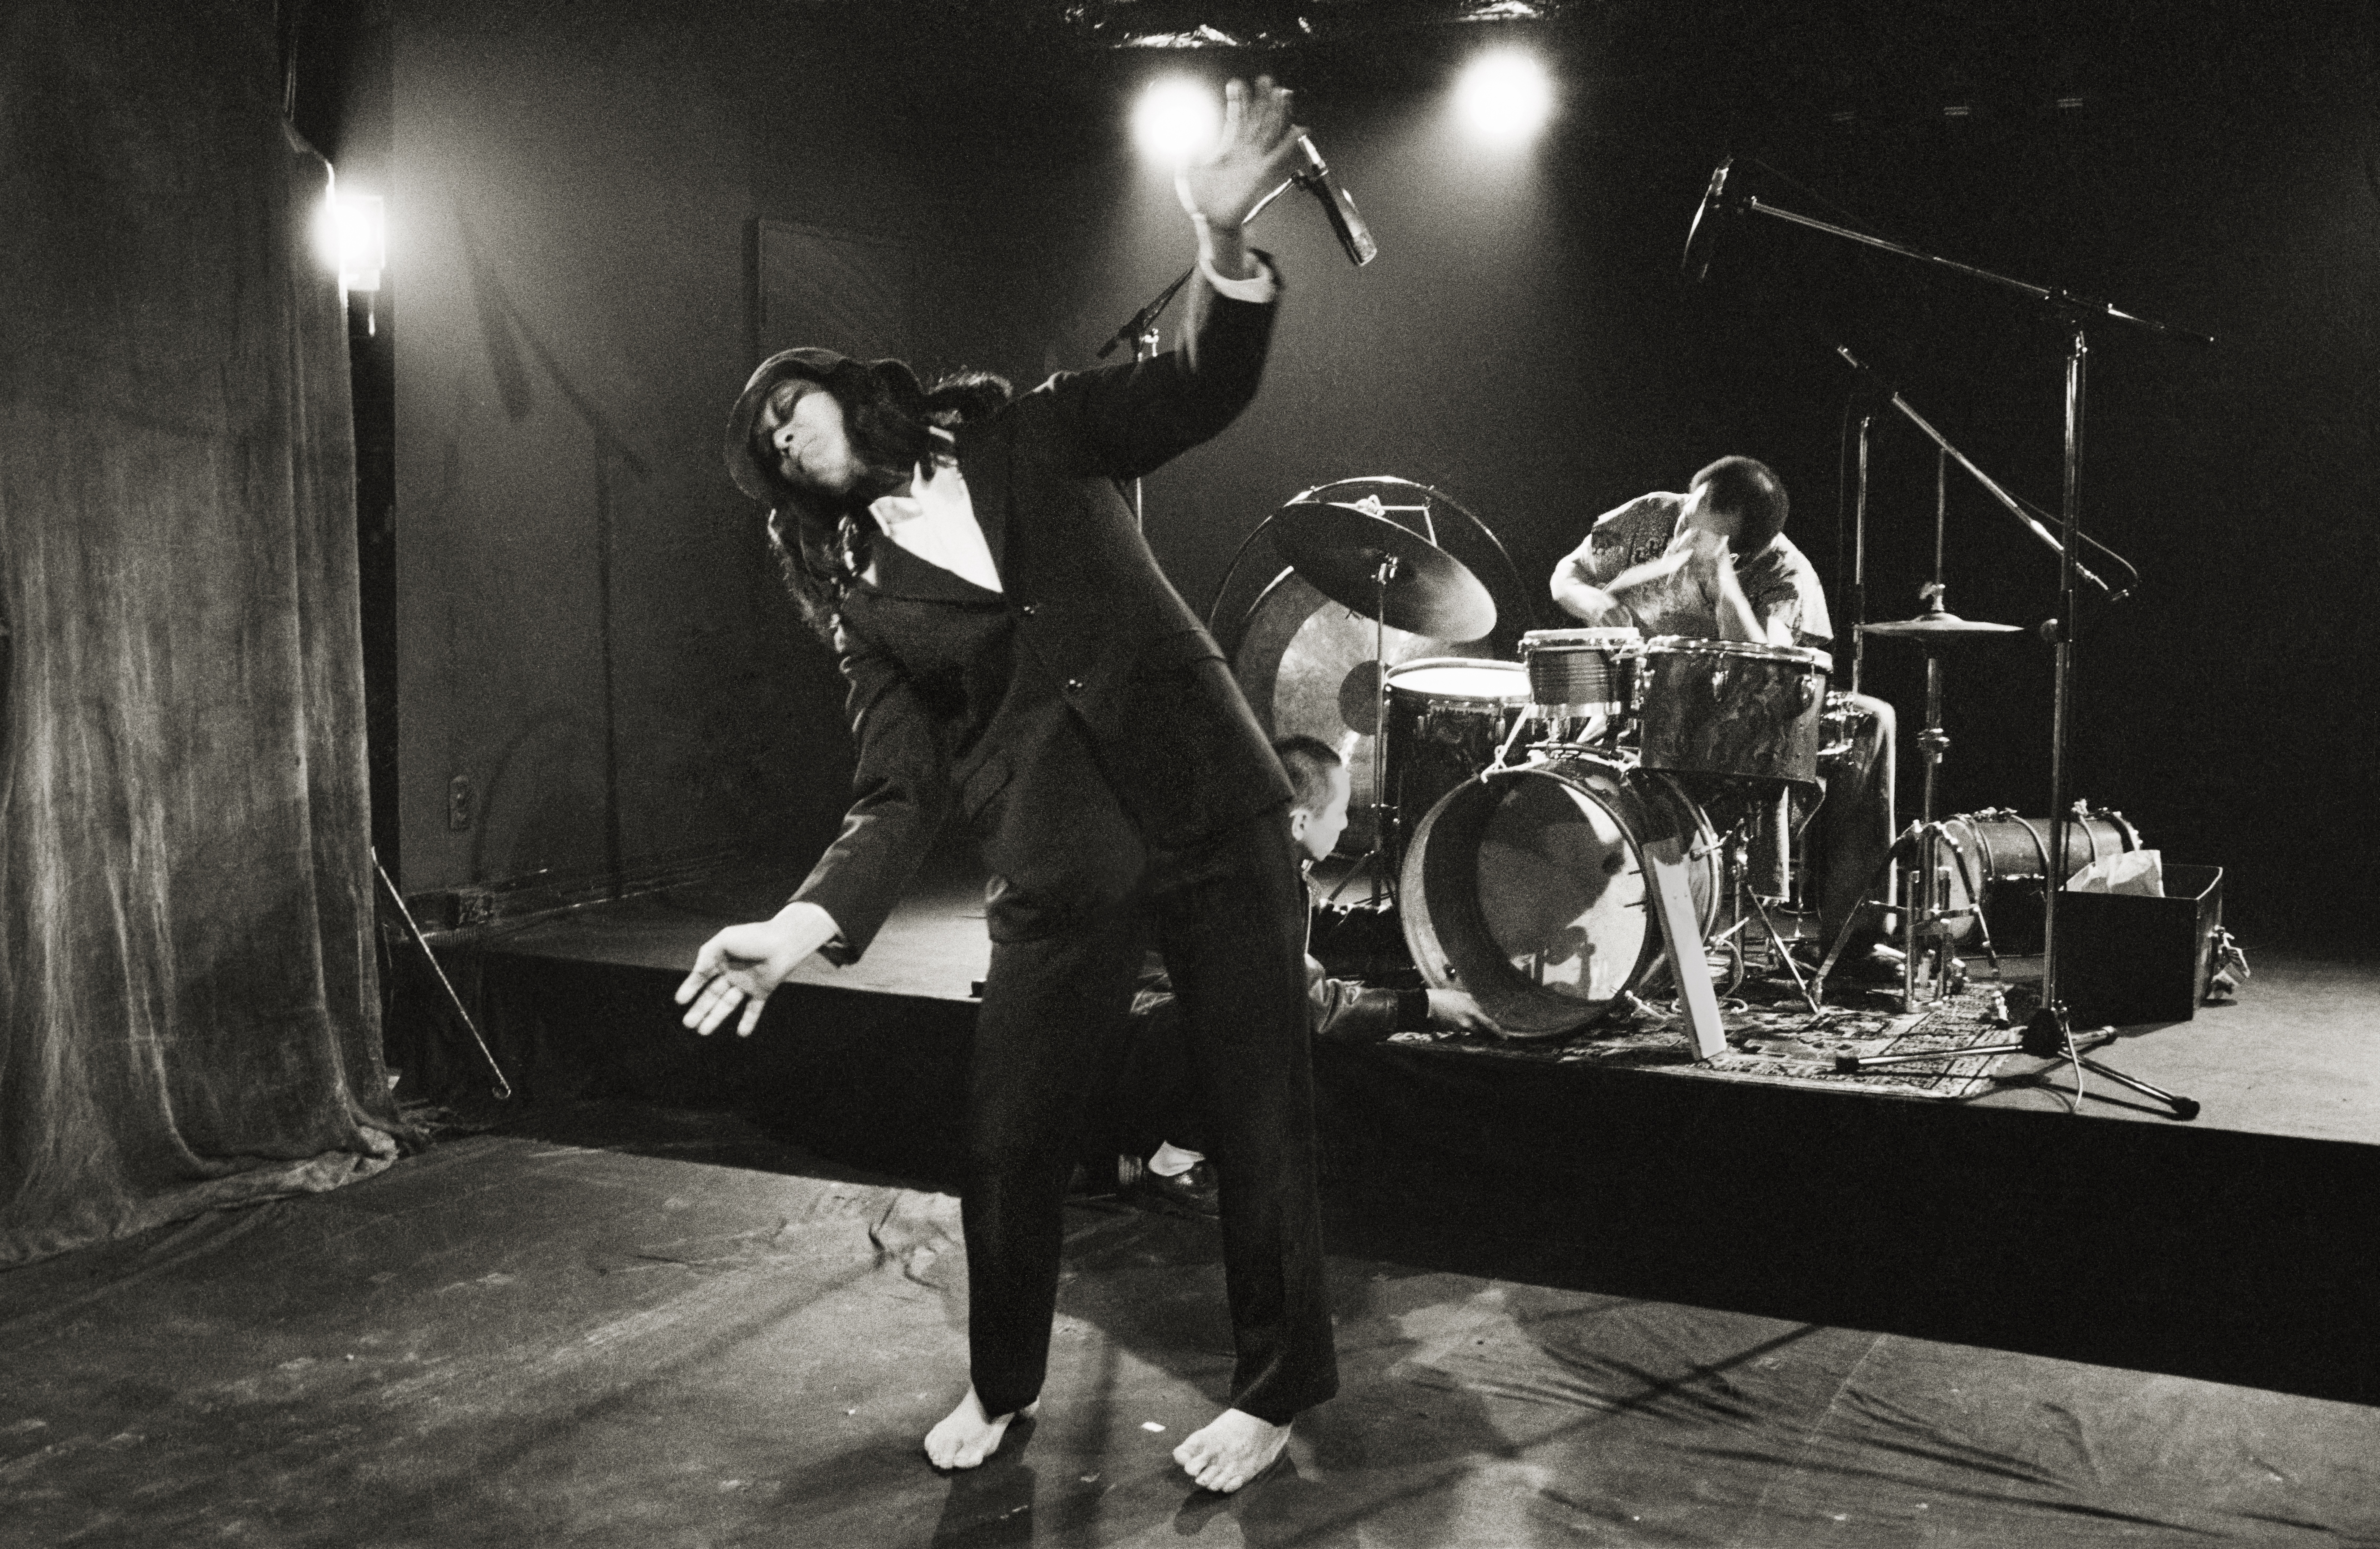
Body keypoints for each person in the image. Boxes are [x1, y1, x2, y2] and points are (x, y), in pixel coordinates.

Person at [675, 79, 1330, 1495]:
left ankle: (1275, 1386)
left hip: (1208, 794)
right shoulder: (860, 601)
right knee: (1013, 1129)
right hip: (1055, 853)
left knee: (1257, 1108)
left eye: (790, 406)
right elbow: (893, 789)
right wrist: (798, 925)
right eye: (767, 448)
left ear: (846, 387)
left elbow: (1195, 388)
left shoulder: (1029, 429)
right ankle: (1002, 1376)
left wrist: (1221, 247)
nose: (784, 436)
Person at [1106, 736, 1498, 1217]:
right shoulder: (1246, 884)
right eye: (1341, 813)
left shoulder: (1263, 856)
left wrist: (1417, 925)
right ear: (1300, 823)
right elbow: (1311, 1004)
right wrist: (1427, 1006)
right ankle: (1172, 1163)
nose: (1347, 825)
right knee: (1261, 1016)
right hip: (1151, 1027)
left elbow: (1325, 924)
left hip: (1163, 1019)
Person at [1548, 456, 1896, 959]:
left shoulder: (1784, 571)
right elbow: (1567, 573)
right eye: (1690, 519)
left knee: (1873, 720)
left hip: (1731, 715)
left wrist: (1721, 583)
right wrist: (1594, 603)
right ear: (1693, 495)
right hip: (1632, 702)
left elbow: (1767, 671)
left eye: (1709, 537)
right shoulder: (1649, 515)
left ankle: (1855, 941)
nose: (1686, 536)